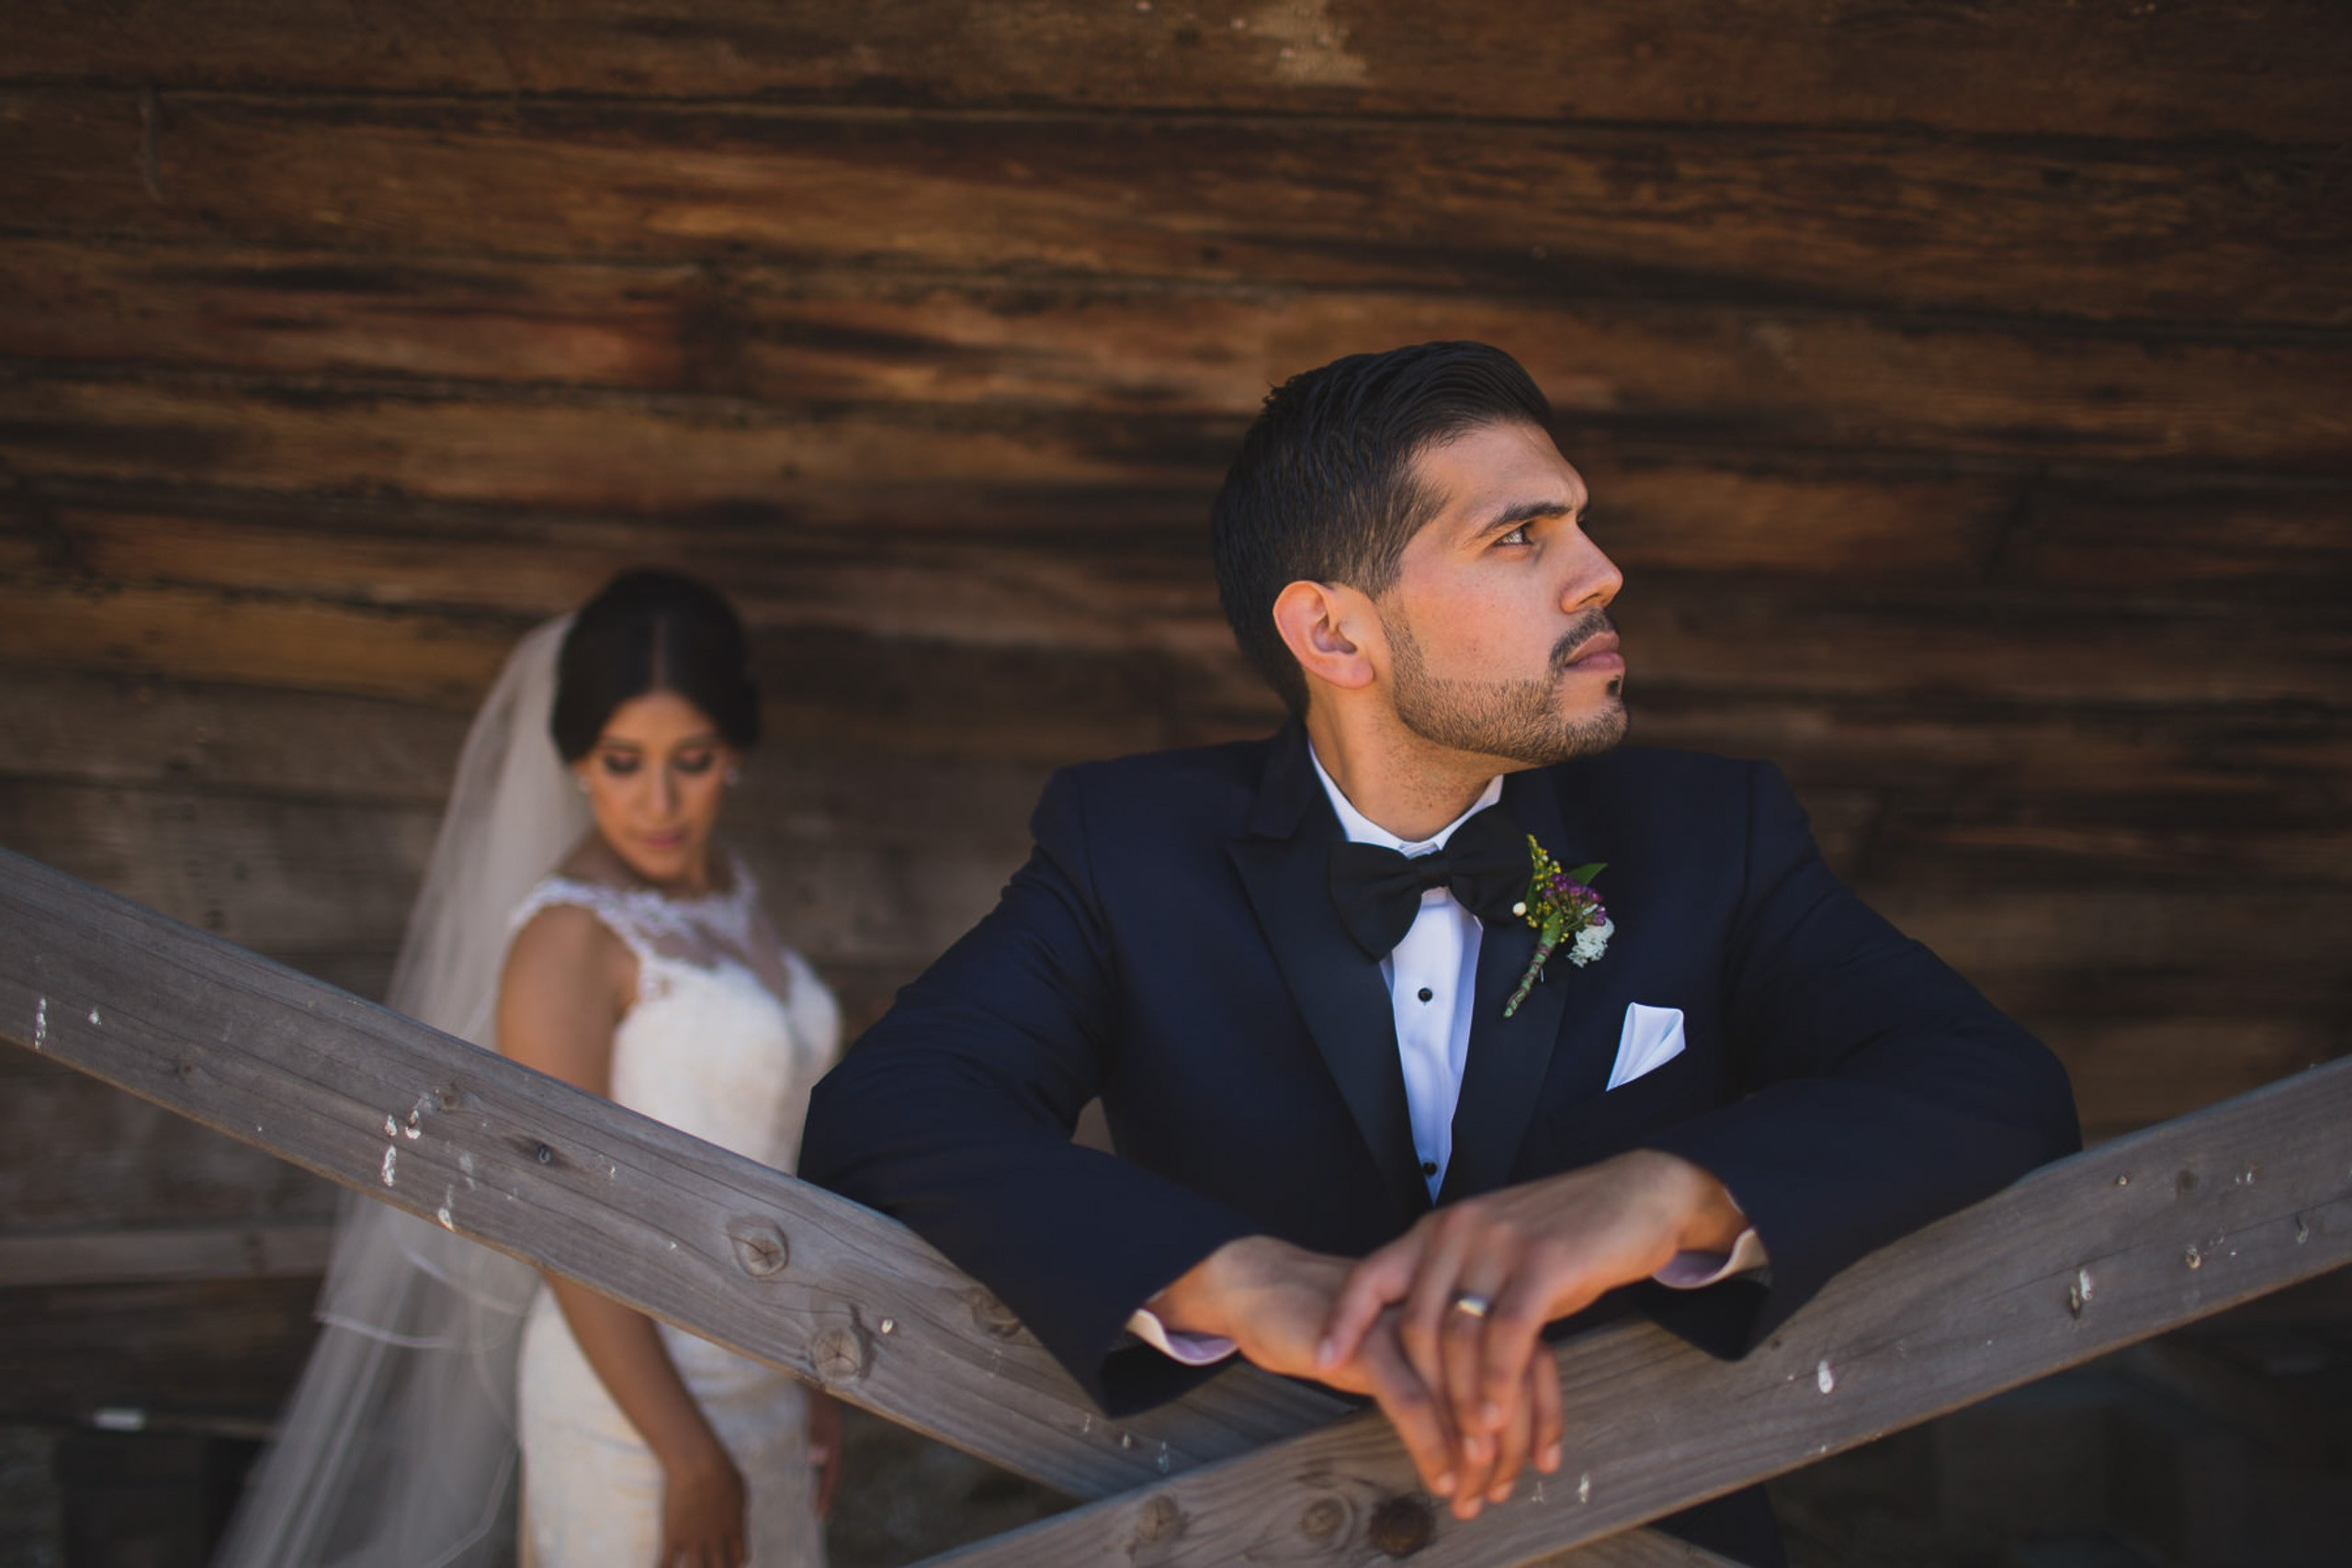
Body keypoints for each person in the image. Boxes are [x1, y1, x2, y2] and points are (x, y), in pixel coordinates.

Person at [799, 342, 2079, 1566]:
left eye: (1578, 521)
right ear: (1336, 635)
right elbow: (888, 1112)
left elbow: (1993, 1079)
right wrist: (1233, 1278)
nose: (1601, 572)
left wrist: (1666, 1191)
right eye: (1522, 536)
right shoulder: (1126, 850)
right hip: (1268, 1530)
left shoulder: (1713, 833)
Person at [218, 570, 841, 1568]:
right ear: (577, 761)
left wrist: (814, 1379)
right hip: (635, 1400)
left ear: (736, 751)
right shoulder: (567, 937)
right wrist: (688, 1461)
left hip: (765, 1374)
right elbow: (558, 1220)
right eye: (622, 761)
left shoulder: (733, 897)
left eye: (693, 759)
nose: (660, 801)